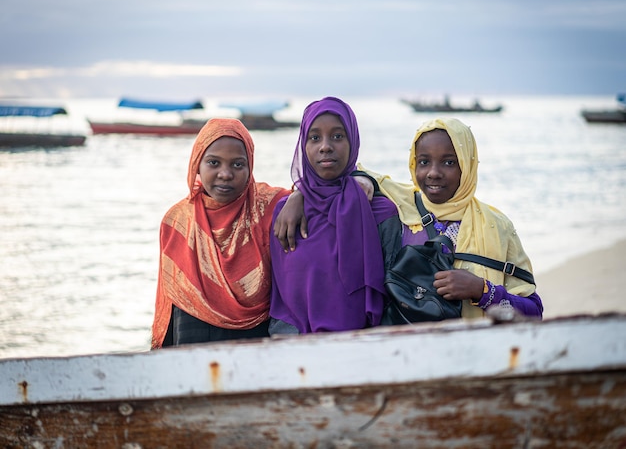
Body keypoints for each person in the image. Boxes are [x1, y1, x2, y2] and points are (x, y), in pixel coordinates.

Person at [275, 117, 543, 319]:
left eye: (449, 162)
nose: (433, 173)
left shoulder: (497, 226)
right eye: (424, 162)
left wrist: (482, 291)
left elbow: (533, 311)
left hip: (477, 360)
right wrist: (298, 194)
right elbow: (339, 176)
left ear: (468, 163)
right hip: (405, 355)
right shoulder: (398, 202)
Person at [151, 118, 292, 348]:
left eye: (237, 165)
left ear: (250, 166)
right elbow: (170, 300)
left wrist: (298, 197)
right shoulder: (177, 221)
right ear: (197, 164)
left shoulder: (269, 207)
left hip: (253, 344)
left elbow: (319, 191)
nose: (225, 174)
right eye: (213, 163)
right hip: (190, 339)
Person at [268, 97, 400, 335]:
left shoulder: (379, 212)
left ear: (353, 142)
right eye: (314, 137)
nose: (325, 146)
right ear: (303, 144)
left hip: (364, 346)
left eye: (338, 136)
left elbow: (393, 290)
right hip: (296, 348)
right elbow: (281, 297)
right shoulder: (286, 213)